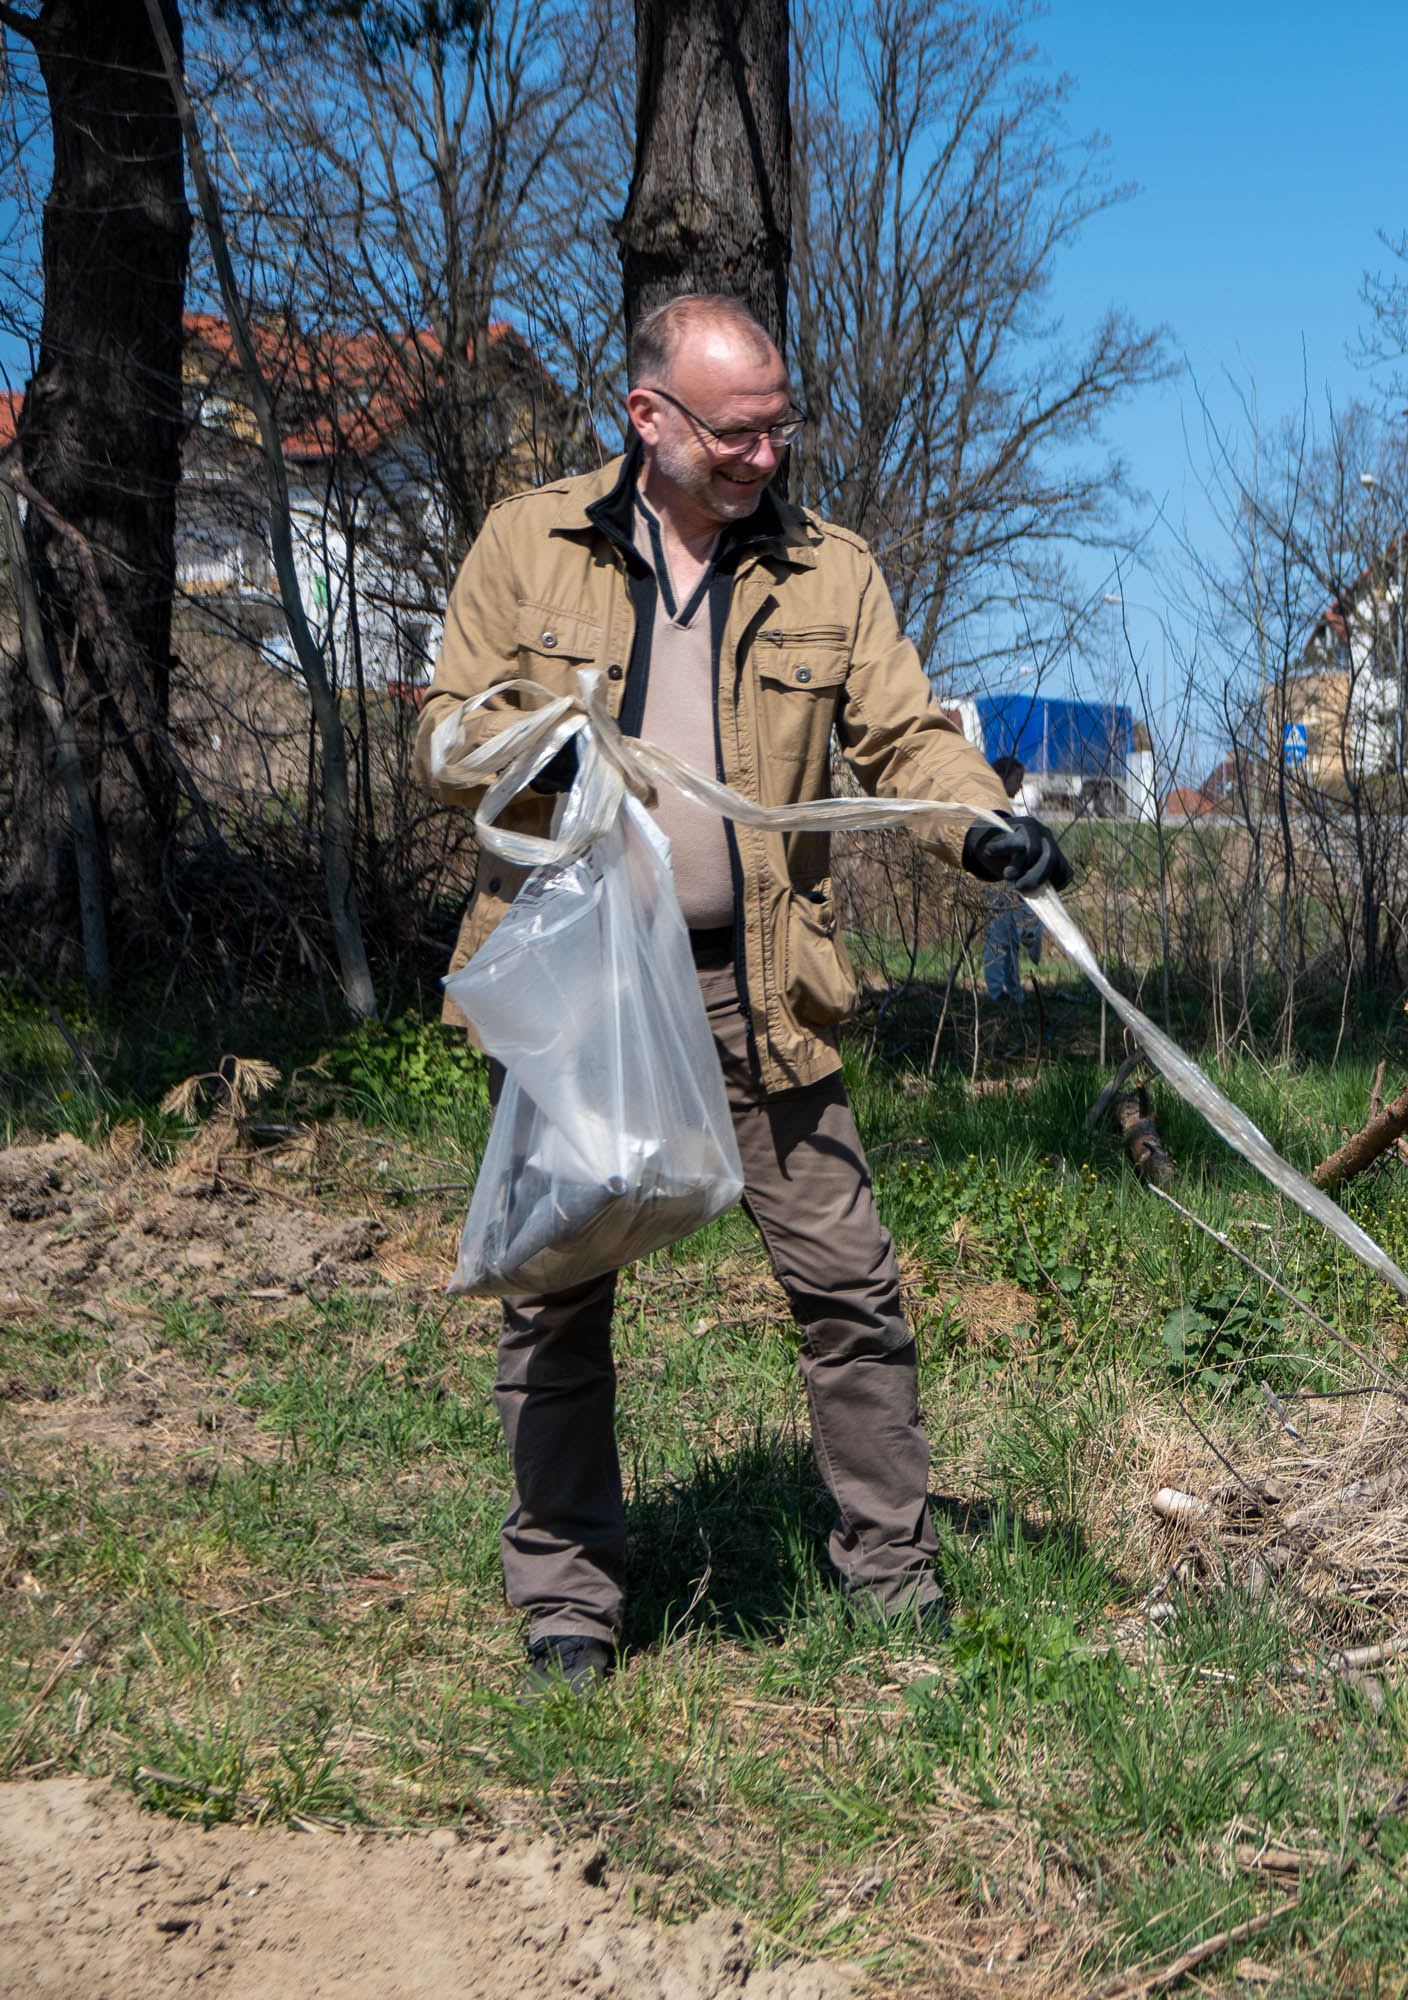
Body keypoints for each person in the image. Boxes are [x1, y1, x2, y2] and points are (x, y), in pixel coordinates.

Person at [421, 293, 1071, 1693]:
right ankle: (569, 1612)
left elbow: (903, 736)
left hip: (761, 992)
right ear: (646, 417)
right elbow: (446, 726)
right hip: (587, 993)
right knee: (556, 1299)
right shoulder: (526, 545)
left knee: (849, 1288)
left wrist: (982, 827)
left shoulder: (829, 572)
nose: (766, 455)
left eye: (780, 426)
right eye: (736, 431)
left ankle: (892, 1582)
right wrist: (545, 748)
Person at [981, 756, 1047, 1003]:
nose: (1020, 787)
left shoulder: (1006, 806)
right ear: (1004, 776)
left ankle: (1013, 991)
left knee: (1010, 937)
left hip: (1008, 877)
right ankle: (996, 993)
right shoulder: (994, 806)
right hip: (996, 879)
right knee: (999, 937)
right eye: (1017, 780)